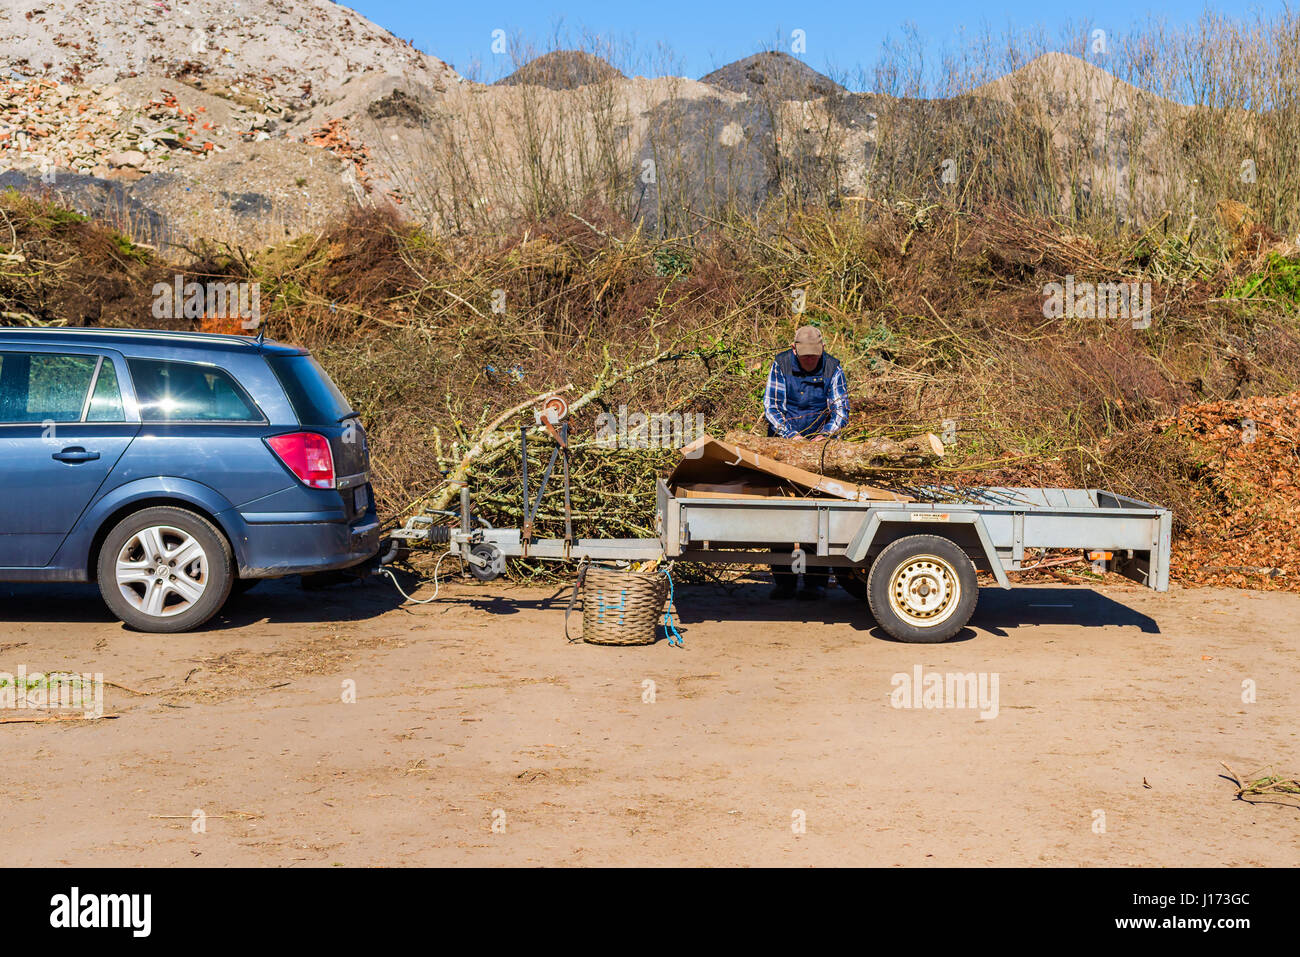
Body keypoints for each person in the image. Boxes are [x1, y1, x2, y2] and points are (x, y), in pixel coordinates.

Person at [762, 325, 849, 600]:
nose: (811, 361)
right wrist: (792, 437)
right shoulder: (780, 364)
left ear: (822, 349)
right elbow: (772, 407)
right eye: (805, 356)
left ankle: (816, 584)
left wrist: (825, 435)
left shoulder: (833, 367)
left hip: (819, 449)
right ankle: (784, 582)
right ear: (794, 349)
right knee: (781, 516)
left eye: (815, 356)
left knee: (817, 515)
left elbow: (841, 410)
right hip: (783, 446)